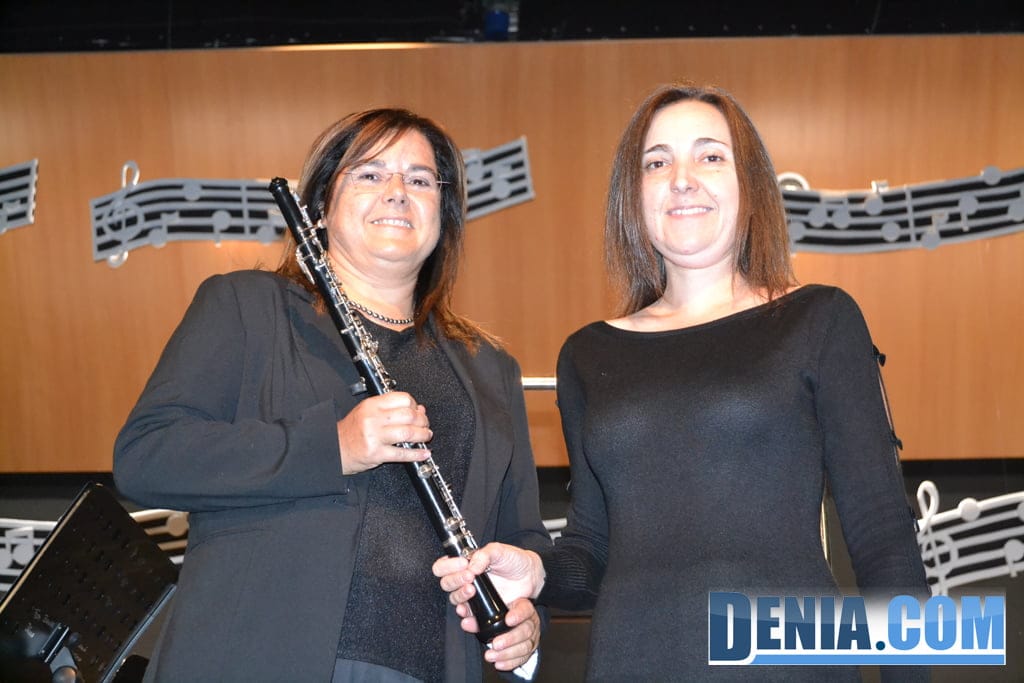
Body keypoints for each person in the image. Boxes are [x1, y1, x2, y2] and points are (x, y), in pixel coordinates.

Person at [434, 83, 931, 681]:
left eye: (710, 156)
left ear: (750, 184)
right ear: (633, 195)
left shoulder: (819, 319)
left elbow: (882, 533)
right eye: (657, 162)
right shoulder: (589, 353)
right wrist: (538, 573)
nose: (682, 179)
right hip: (632, 664)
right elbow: (593, 546)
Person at [114, 108, 551, 683]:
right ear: (320, 206)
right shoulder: (247, 306)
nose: (397, 191)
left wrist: (525, 619)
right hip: (256, 660)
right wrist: (333, 446)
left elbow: (520, 537)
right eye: (370, 174)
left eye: (420, 180)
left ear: (443, 215)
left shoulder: (490, 369)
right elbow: (146, 457)